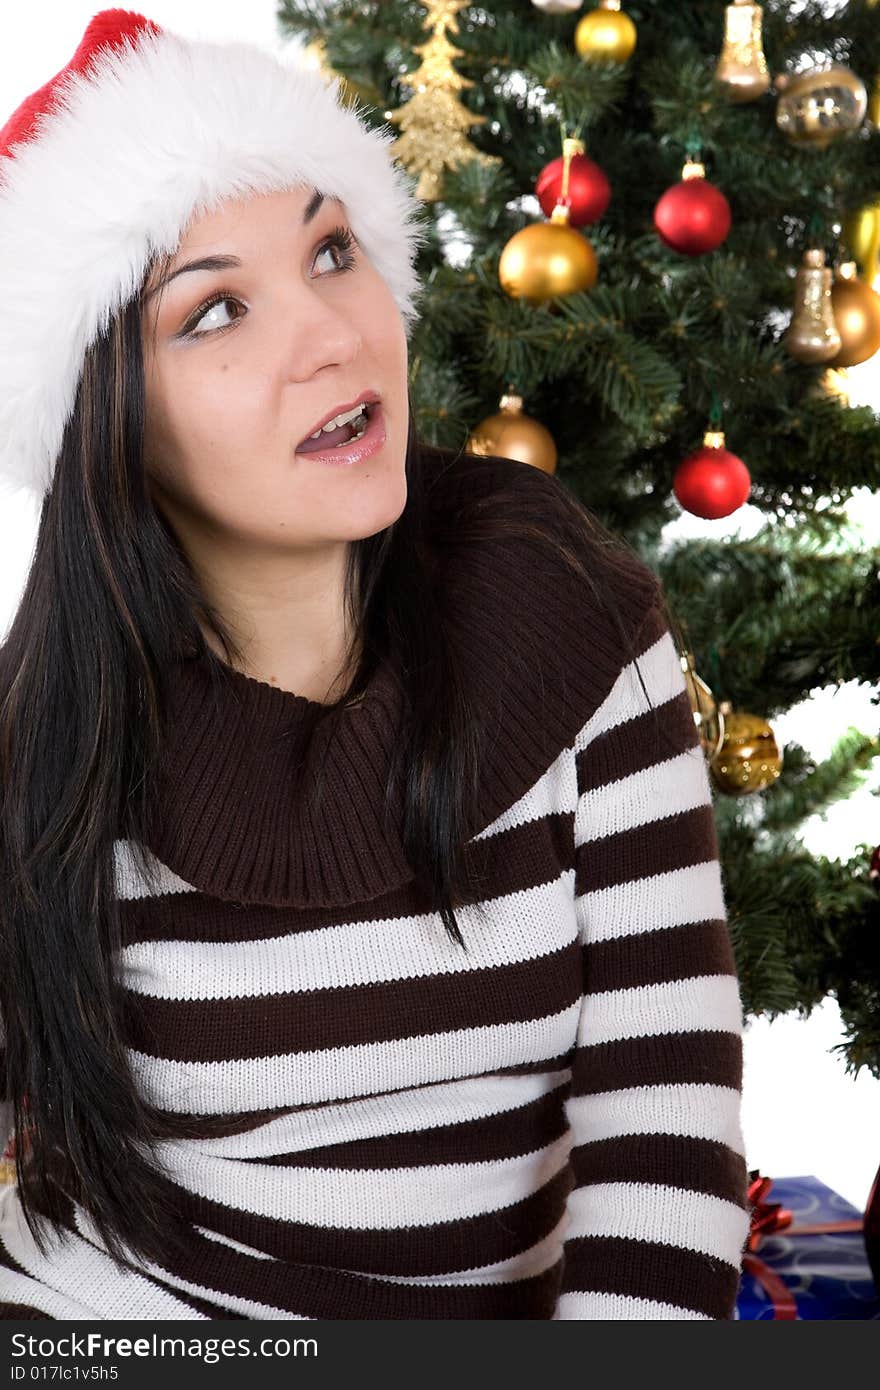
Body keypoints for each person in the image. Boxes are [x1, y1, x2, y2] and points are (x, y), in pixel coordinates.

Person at [0, 10, 751, 1320]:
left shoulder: (570, 608)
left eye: (333, 249)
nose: (335, 335)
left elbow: (663, 1117)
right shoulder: (52, 732)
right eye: (217, 309)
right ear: (103, 426)